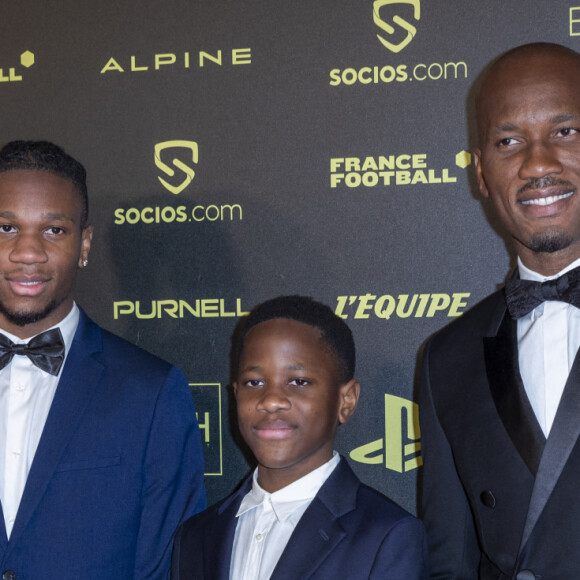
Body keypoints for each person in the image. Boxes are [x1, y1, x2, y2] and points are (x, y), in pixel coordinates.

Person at [0, 140, 206, 579]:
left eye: (53, 230)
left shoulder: (150, 393)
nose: (28, 252)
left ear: (85, 244)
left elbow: (170, 566)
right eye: (5, 228)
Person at [420, 42, 580, 579]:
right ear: (481, 174)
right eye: (509, 141)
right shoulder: (446, 360)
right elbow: (450, 562)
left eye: (566, 132)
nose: (538, 163)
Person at [172, 295, 428, 579]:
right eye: (253, 382)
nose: (270, 401)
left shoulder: (386, 536)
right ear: (235, 394)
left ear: (346, 400)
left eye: (298, 382)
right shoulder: (196, 536)